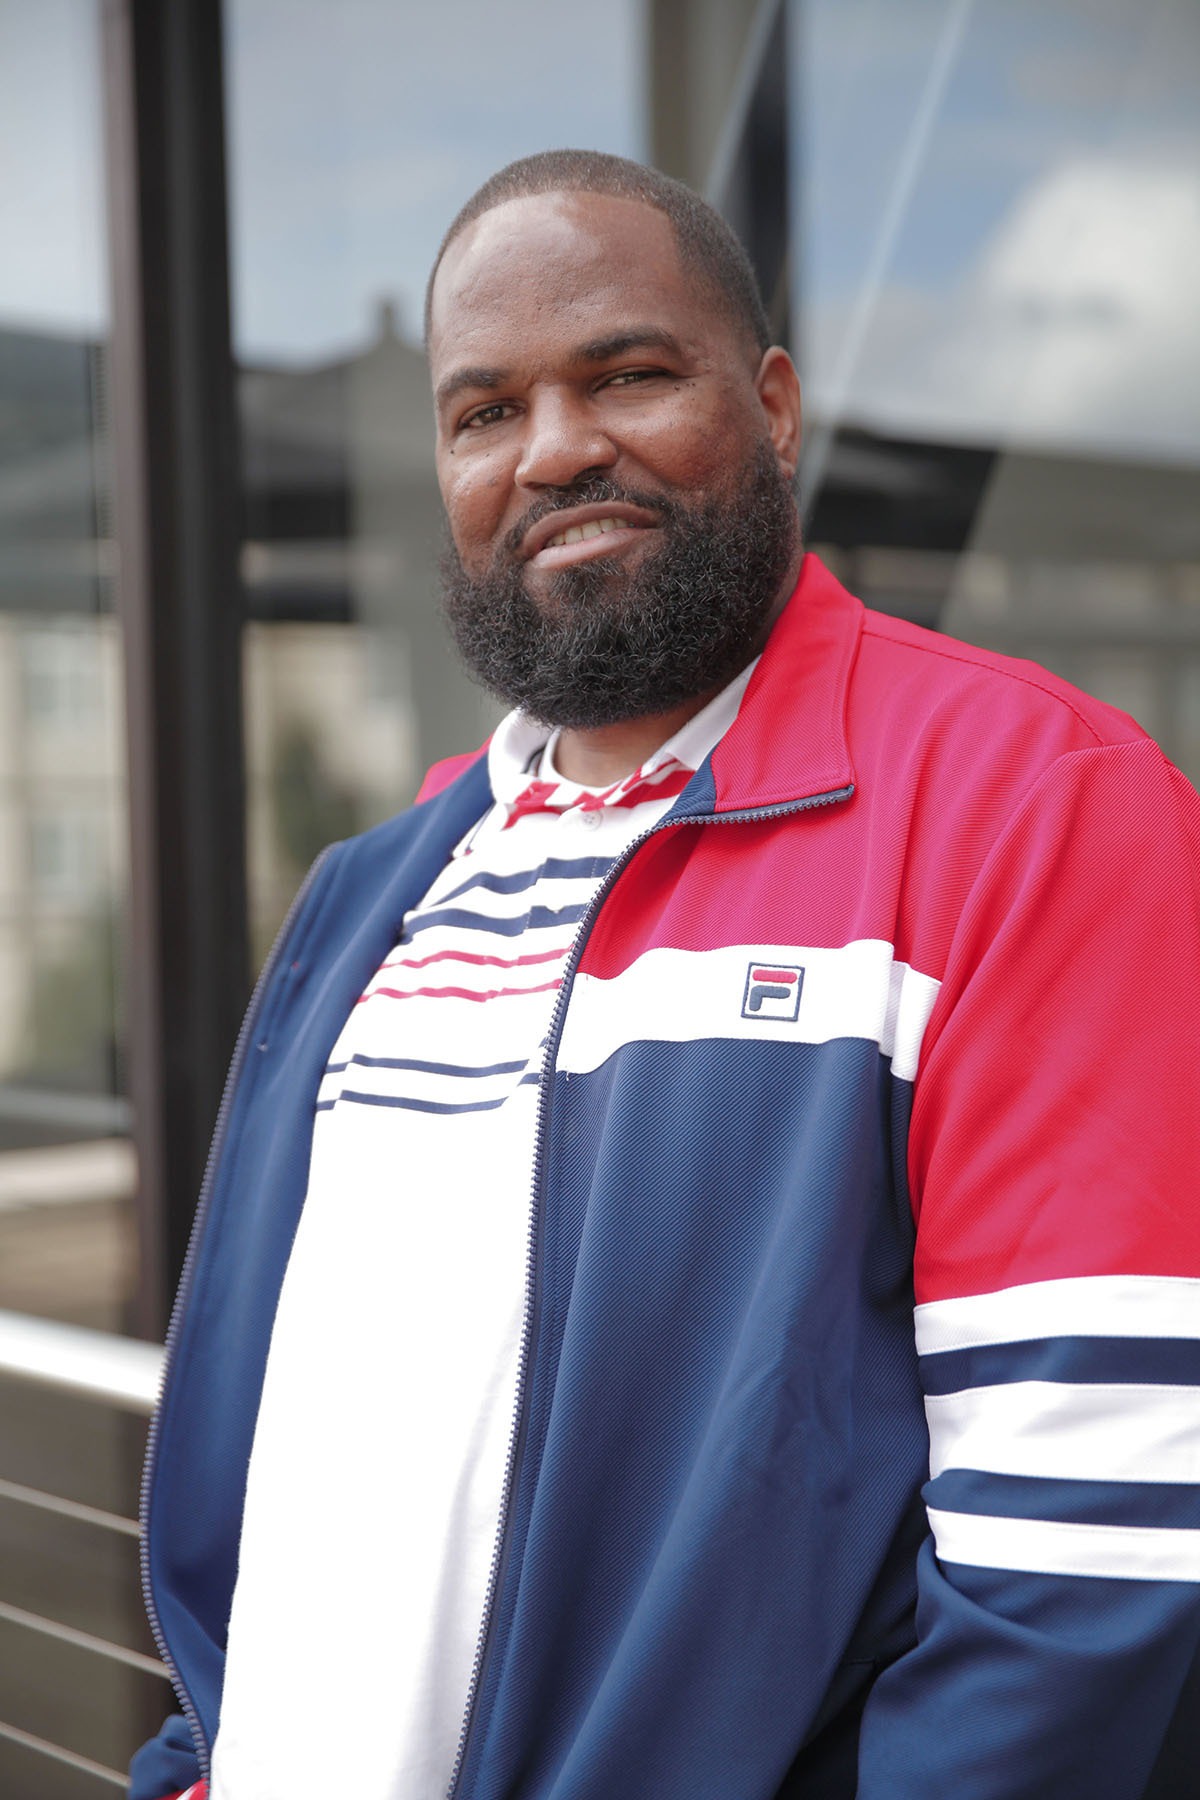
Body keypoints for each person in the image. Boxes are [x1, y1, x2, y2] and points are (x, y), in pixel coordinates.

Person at [131, 150, 1200, 1800]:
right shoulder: (376, 892)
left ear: (773, 407)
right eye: (484, 411)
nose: (556, 448)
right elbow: (282, 1467)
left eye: (626, 375)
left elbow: (1095, 1559)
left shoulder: (1028, 808)